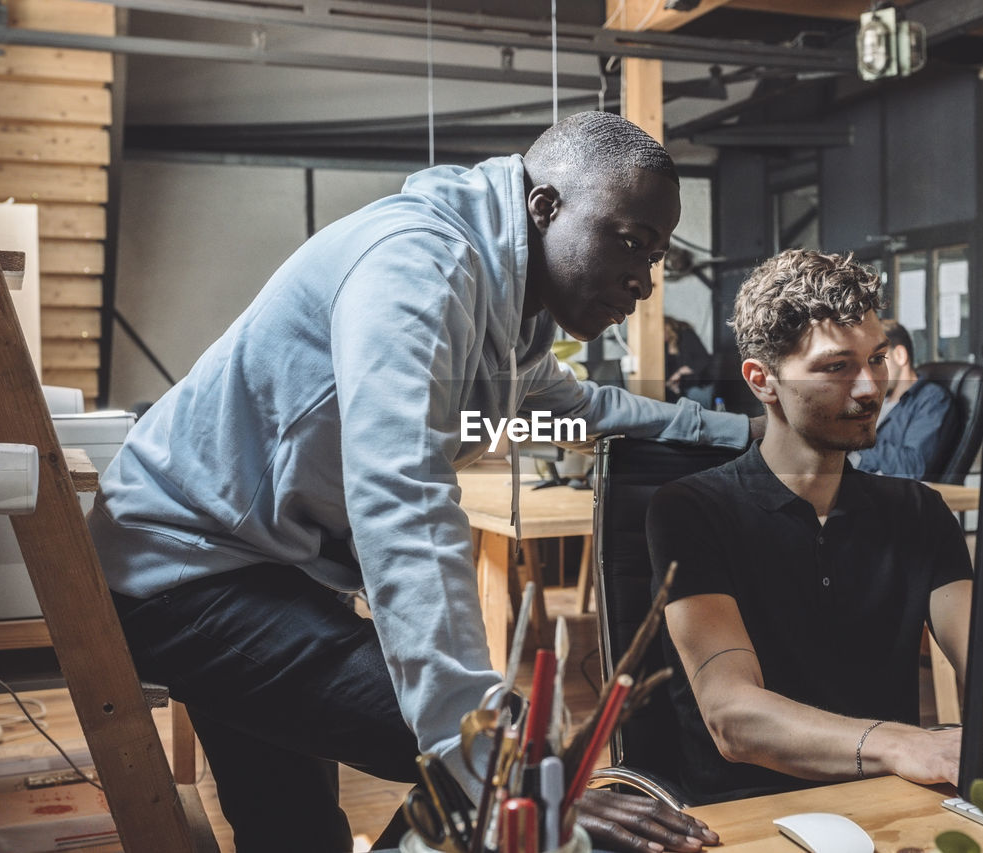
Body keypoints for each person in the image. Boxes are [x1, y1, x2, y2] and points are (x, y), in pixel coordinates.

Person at [88, 111, 752, 852]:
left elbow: (588, 409)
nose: (644, 279)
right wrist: (503, 768)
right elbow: (401, 496)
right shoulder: (418, 266)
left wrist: (743, 433)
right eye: (630, 241)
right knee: (496, 768)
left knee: (297, 830)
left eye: (657, 255)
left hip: (258, 568)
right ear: (545, 207)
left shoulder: (508, 318)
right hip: (181, 571)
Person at [646, 249, 972, 804]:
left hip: (892, 806)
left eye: (876, 359)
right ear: (762, 380)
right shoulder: (692, 510)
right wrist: (902, 743)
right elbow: (732, 716)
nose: (871, 388)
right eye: (836, 367)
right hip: (749, 816)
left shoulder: (919, 512)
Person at [852, 318, 959, 480]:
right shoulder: (876, 399)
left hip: (880, 494)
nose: (868, 372)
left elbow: (913, 467)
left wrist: (857, 441)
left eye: (876, 360)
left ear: (900, 355)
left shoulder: (931, 400)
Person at [663, 316, 713, 407]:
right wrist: (670, 384)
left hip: (698, 386)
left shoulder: (686, 335)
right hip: (678, 389)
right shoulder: (663, 346)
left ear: (667, 328)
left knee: (698, 410)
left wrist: (681, 372)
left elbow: (704, 359)